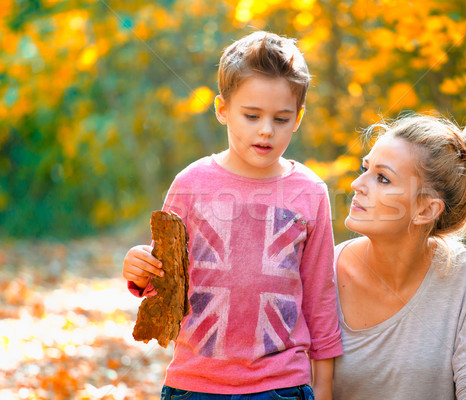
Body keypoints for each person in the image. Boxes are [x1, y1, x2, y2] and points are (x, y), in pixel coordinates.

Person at [122, 31, 342, 400]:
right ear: (223, 109)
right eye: (252, 115)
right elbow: (168, 279)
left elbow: (319, 295)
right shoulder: (191, 183)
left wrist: (324, 386)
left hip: (282, 384)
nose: (267, 129)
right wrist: (140, 269)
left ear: (299, 117)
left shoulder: (311, 191)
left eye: (282, 118)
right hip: (196, 382)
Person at [332, 113, 466, 399]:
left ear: (425, 210)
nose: (357, 185)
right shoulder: (324, 271)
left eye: (382, 178)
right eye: (364, 168)